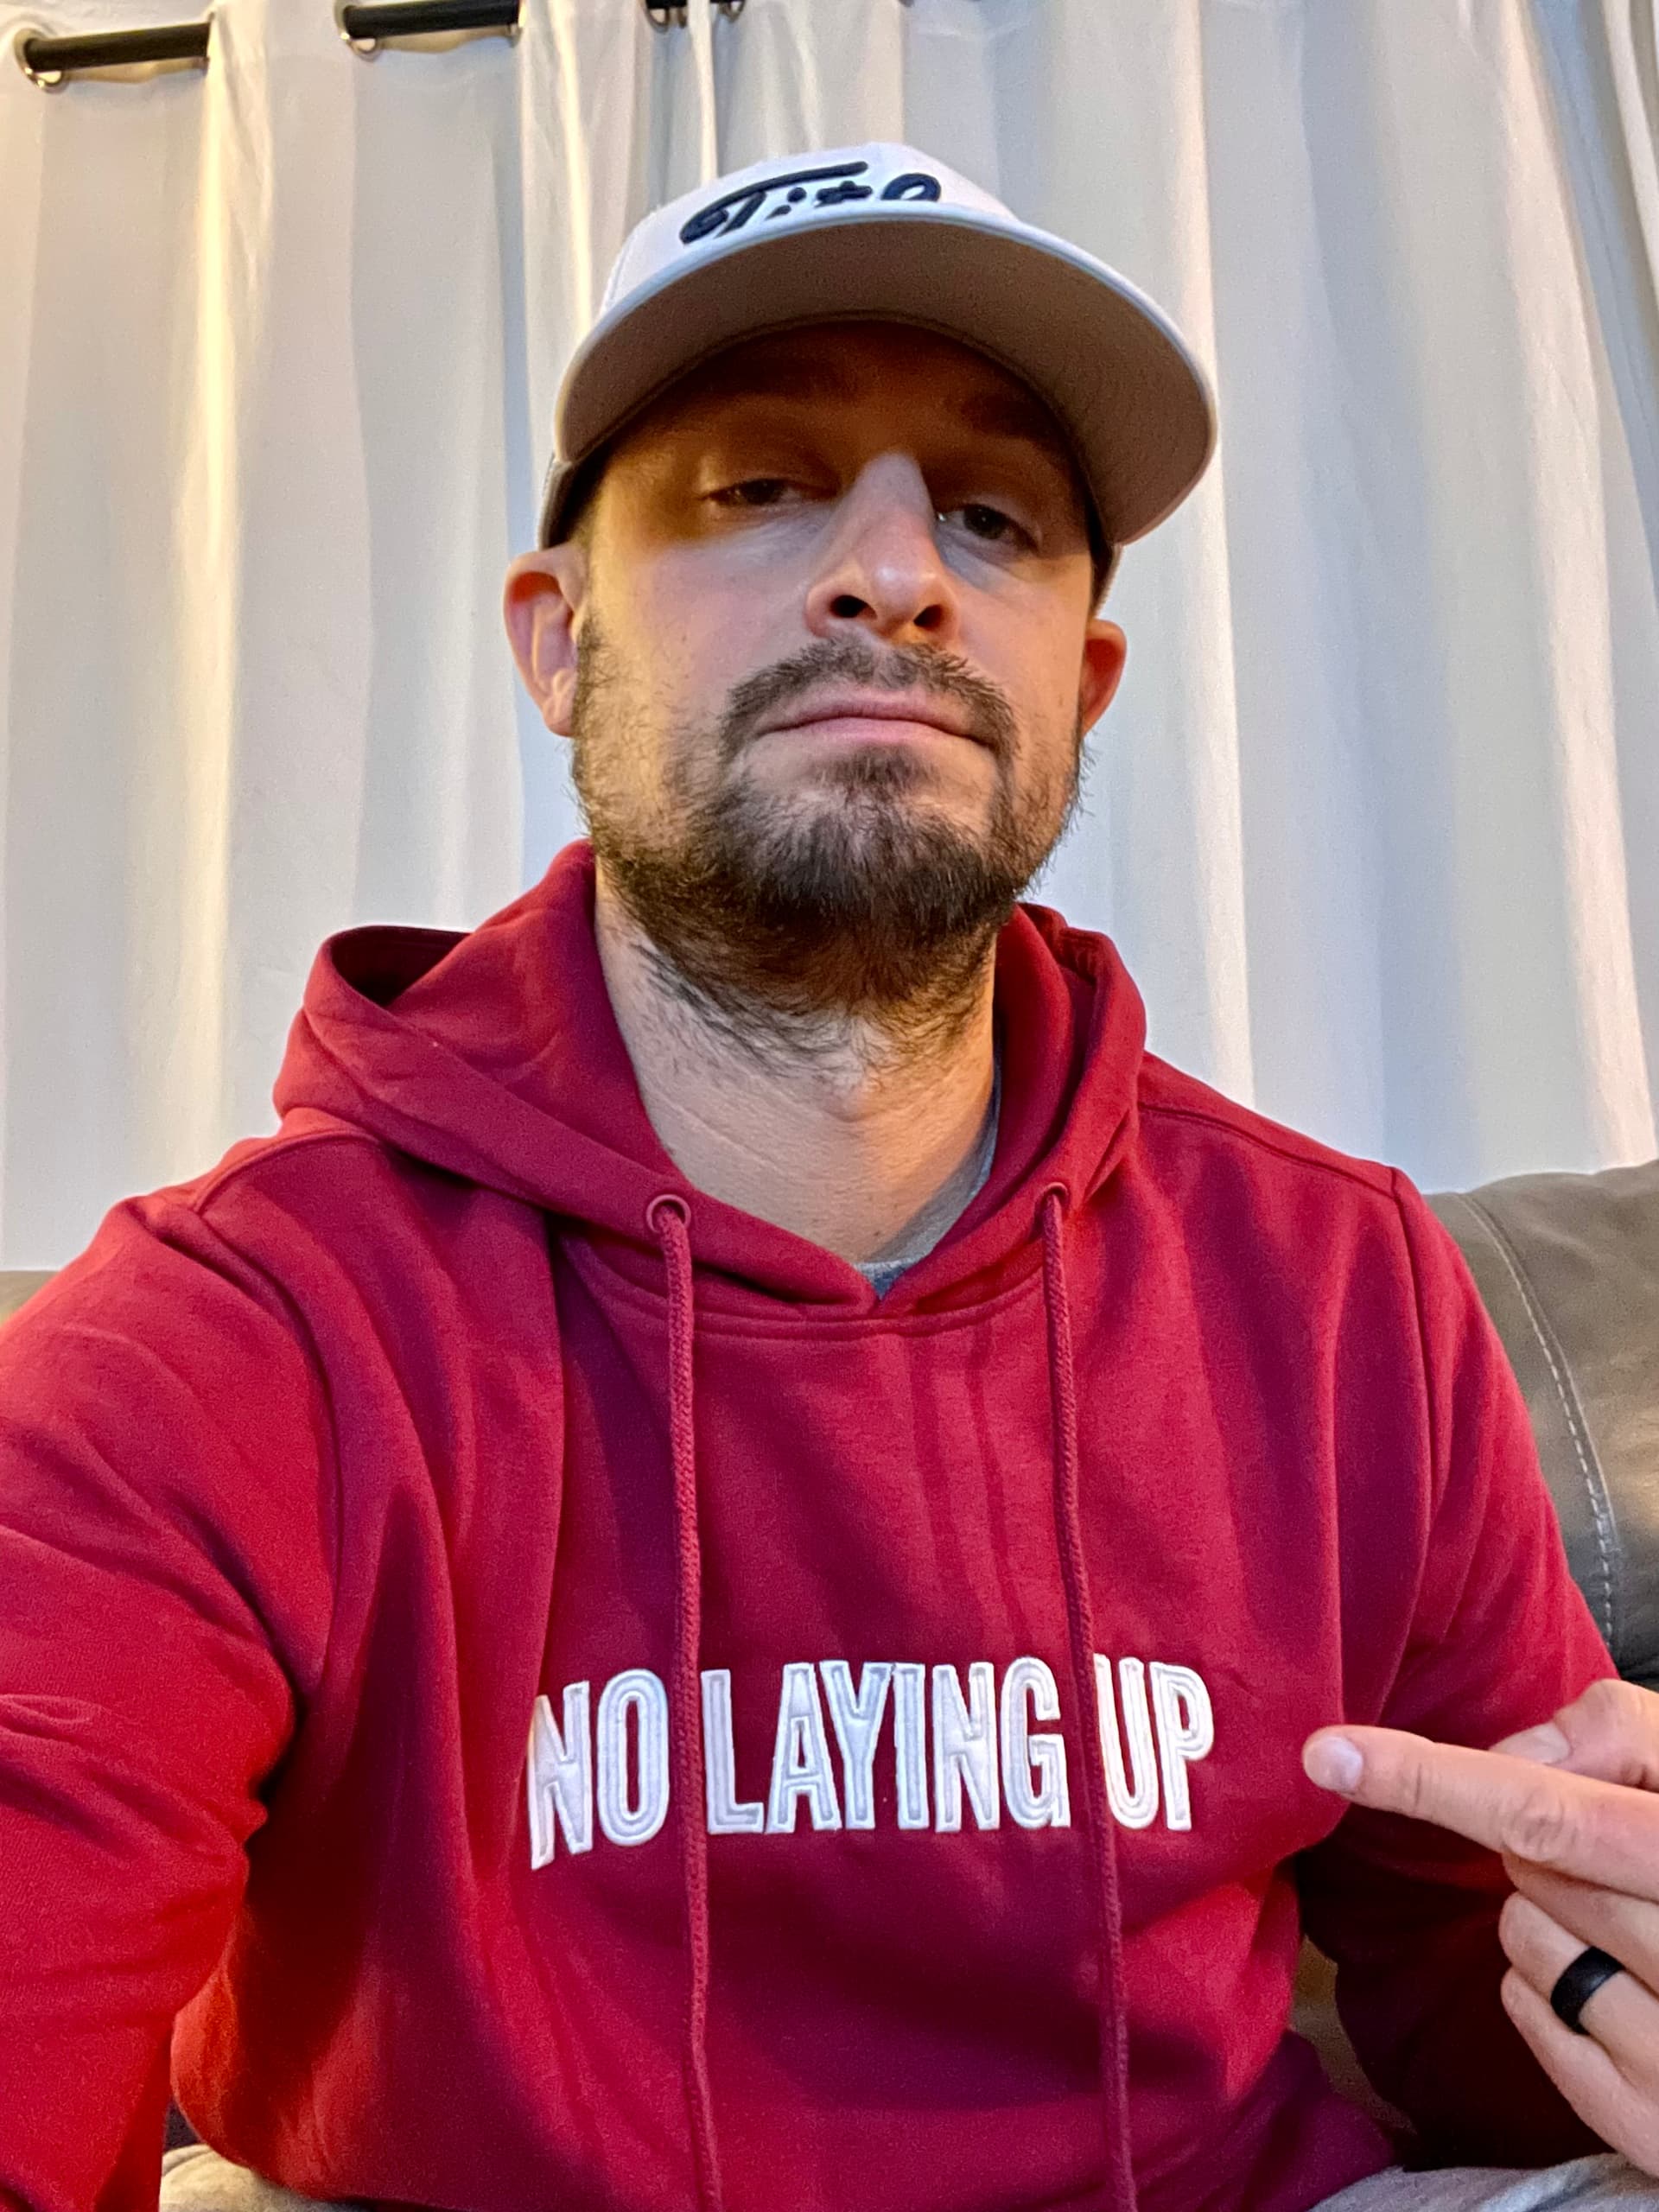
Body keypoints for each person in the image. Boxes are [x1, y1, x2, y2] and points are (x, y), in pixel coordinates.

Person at [0, 139, 1651, 2212]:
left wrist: (1615, 1978)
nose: (894, 571)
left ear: (1080, 684)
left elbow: (1493, 2031)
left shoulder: (1341, 1288)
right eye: (760, 484)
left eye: (993, 515)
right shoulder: (228, 1344)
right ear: (559, 644)